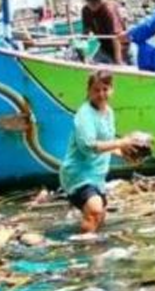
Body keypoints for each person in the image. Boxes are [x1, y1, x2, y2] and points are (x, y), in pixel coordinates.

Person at [59, 70, 141, 234]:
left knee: (99, 218)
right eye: (96, 90)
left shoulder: (108, 112)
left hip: (97, 175)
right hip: (79, 174)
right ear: (89, 91)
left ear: (112, 89)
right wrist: (122, 141)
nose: (101, 94)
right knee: (95, 211)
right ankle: (82, 252)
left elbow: (107, 143)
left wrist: (124, 153)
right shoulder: (84, 115)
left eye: (105, 89)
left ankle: (92, 252)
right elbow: (88, 146)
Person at [81, 0, 129, 65]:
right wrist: (84, 54)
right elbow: (86, 33)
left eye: (96, 3)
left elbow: (115, 37)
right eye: (91, 3)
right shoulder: (86, 11)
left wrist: (118, 61)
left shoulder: (109, 10)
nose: (94, 6)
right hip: (105, 49)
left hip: (123, 49)